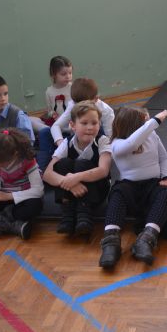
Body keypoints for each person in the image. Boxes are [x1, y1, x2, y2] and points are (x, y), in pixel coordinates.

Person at [99, 108, 167, 269]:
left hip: (152, 184)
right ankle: (111, 242)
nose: (147, 124)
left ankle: (146, 238)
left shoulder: (152, 135)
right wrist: (155, 121)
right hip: (129, 187)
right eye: (143, 122)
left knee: (166, 193)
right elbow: (132, 143)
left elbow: (164, 158)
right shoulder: (116, 143)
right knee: (117, 193)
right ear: (133, 125)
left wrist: (166, 176)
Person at [42, 100, 112, 237]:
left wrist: (75, 177)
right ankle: (67, 214)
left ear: (99, 124)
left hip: (97, 191)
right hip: (73, 191)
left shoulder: (103, 141)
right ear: (73, 125)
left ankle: (84, 215)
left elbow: (103, 170)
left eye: (94, 123)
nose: (90, 127)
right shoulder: (67, 142)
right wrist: (70, 184)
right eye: (84, 123)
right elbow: (47, 174)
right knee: (62, 164)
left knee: (82, 164)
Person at [0, 129, 43, 239]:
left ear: (15, 154)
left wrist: (9, 196)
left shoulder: (27, 161)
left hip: (23, 197)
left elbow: (38, 190)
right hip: (2, 197)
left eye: (0, 164)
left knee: (35, 206)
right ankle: (13, 226)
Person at [39, 77, 115, 171]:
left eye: (85, 104)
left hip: (93, 143)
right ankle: (44, 169)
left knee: (100, 130)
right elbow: (56, 126)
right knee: (44, 132)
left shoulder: (106, 111)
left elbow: (110, 137)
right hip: (73, 141)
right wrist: (61, 143)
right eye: (77, 104)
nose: (80, 107)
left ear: (96, 99)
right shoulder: (73, 104)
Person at [29, 56, 73, 135]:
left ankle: (61, 132)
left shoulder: (73, 87)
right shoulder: (49, 92)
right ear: (53, 75)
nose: (68, 76)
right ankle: (55, 131)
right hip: (58, 122)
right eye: (63, 74)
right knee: (31, 120)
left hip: (72, 121)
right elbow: (49, 111)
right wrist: (53, 114)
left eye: (70, 73)